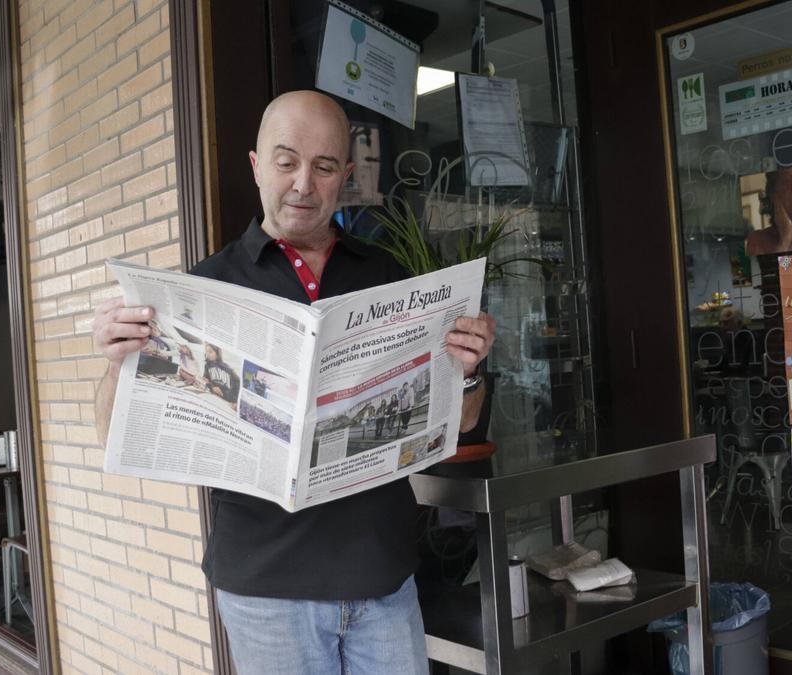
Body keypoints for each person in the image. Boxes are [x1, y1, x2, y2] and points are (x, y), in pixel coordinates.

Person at [92, 90, 494, 675]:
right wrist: (115, 362)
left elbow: (464, 420)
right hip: (265, 592)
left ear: (346, 177)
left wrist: (471, 367)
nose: (303, 184)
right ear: (256, 166)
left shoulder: (390, 278)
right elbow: (112, 436)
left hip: (382, 579)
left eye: (324, 166)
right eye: (286, 161)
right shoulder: (204, 289)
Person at [202, 343, 240, 407]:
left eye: (210, 352)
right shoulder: (207, 366)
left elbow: (238, 383)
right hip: (214, 398)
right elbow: (206, 380)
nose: (207, 354)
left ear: (217, 354)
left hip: (228, 400)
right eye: (206, 351)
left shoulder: (227, 368)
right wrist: (212, 387)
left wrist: (235, 401)